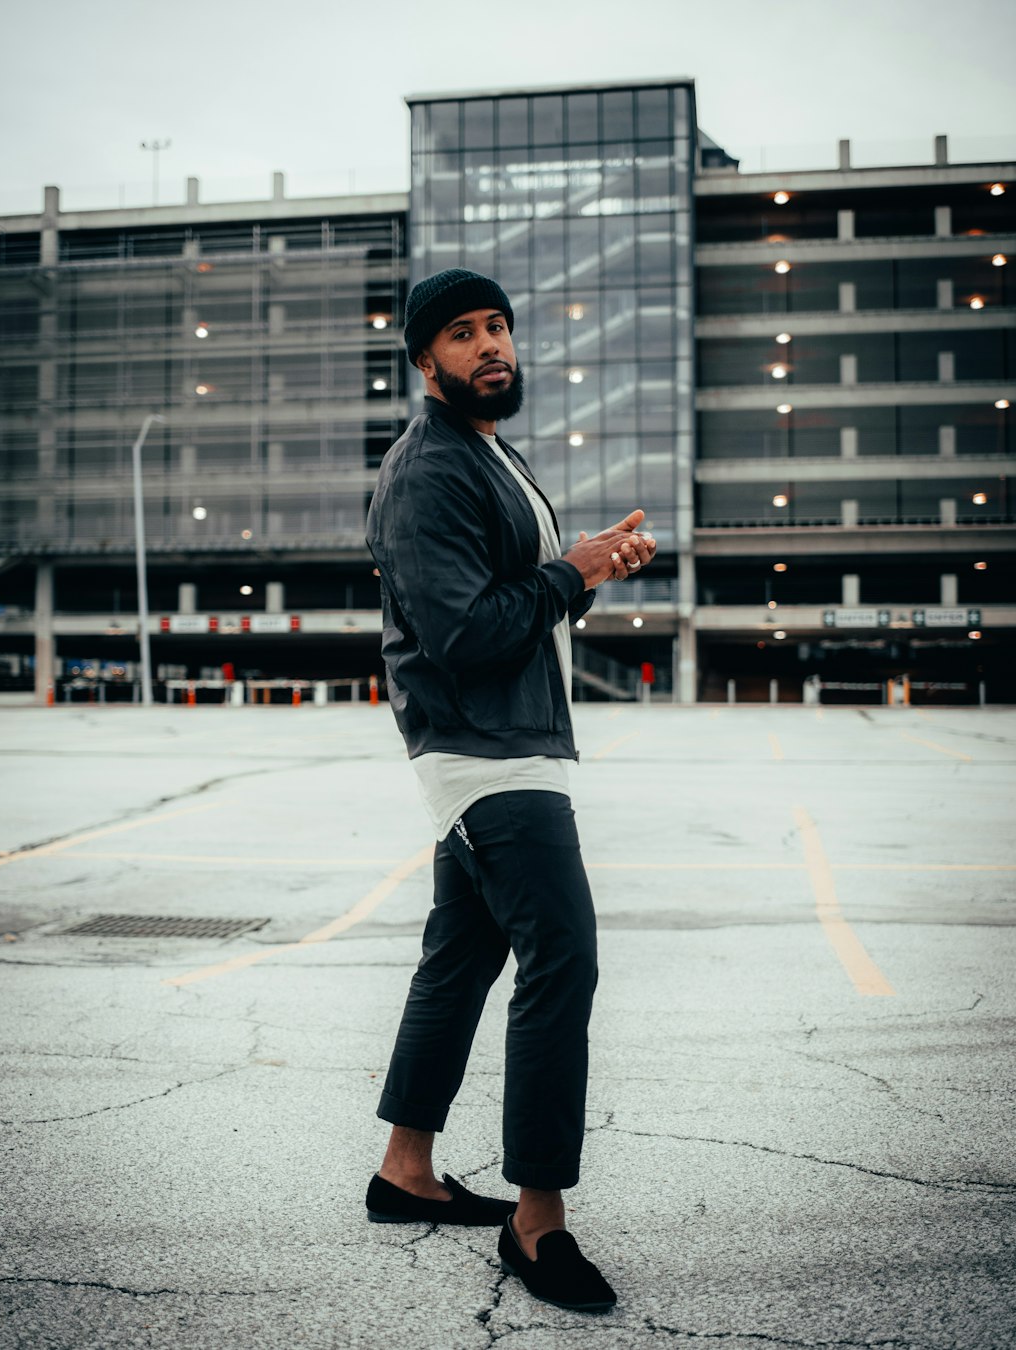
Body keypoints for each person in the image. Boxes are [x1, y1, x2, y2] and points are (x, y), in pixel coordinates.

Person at [364, 268, 655, 1314]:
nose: (491, 344)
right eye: (462, 333)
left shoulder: (485, 450)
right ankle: (540, 1225)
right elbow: (463, 632)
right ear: (423, 359)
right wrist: (570, 575)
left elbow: (512, 602)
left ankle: (405, 1168)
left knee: (463, 955)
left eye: (498, 326)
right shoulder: (428, 471)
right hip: (487, 756)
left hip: (505, 744)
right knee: (561, 960)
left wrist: (593, 567)